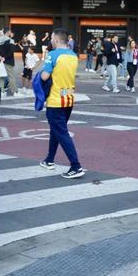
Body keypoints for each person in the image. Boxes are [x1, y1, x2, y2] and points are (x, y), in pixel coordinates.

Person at [38, 29, 84, 179]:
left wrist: (39, 72)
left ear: (56, 40)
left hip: (55, 99)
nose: (50, 41)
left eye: (51, 38)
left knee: (61, 132)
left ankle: (76, 166)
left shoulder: (52, 55)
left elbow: (44, 77)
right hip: (68, 98)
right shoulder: (73, 56)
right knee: (56, 130)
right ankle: (49, 159)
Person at [0, 28, 17, 98]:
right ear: (8, 32)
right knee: (11, 76)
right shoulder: (11, 40)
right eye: (10, 32)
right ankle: (14, 92)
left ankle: (2, 91)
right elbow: (11, 51)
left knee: (0, 77)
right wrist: (5, 57)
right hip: (8, 60)